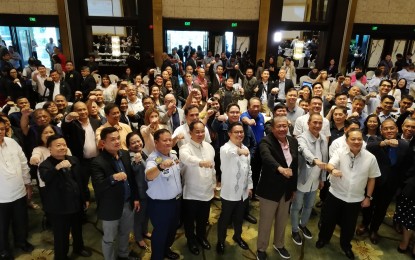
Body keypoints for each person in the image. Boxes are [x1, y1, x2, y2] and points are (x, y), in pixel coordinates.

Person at [316, 130, 381, 260]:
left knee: (349, 225)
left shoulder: (370, 157)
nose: (356, 142)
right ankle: (323, 239)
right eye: (353, 139)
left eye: (359, 139)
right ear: (347, 141)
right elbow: (329, 165)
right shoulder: (340, 152)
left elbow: (372, 178)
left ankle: (346, 246)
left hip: (355, 199)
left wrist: (368, 197)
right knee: (328, 220)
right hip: (335, 194)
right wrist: (333, 170)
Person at [356, 119, 410, 244]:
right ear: (381, 130)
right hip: (373, 183)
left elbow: (405, 166)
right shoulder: (375, 141)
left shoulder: (404, 145)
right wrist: (385, 143)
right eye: (385, 128)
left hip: (391, 185)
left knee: (382, 209)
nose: (389, 131)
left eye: (392, 128)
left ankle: (374, 229)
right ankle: (364, 223)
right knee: (368, 206)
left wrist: (400, 185)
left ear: (397, 129)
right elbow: (369, 147)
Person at [38, 135, 91, 259]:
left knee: (78, 229)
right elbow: (46, 178)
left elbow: (81, 181)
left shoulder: (73, 160)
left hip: (76, 203)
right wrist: (57, 167)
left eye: (64, 145)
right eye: (58, 145)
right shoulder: (45, 165)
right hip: (59, 207)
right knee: (61, 234)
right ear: (49, 149)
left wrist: (85, 198)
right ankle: (61, 256)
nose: (62, 147)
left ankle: (79, 248)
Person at [91, 127, 139, 260]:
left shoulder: (124, 154)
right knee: (109, 239)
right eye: (112, 139)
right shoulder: (97, 162)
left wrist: (135, 198)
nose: (117, 141)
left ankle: (123, 254)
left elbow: (132, 179)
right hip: (110, 207)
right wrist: (112, 178)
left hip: (128, 203)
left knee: (125, 233)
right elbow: (99, 186)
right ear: (103, 143)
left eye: (118, 138)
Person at [255, 116, 298, 260]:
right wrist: (280, 168)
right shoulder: (266, 141)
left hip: (286, 189)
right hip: (269, 189)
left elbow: (294, 167)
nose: (282, 129)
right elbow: (267, 158)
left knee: (282, 219)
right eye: (278, 126)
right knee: (266, 222)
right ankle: (261, 248)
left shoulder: (293, 141)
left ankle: (279, 244)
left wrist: (293, 188)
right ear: (272, 128)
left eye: (284, 126)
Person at [216, 122, 253, 255]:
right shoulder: (225, 148)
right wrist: (240, 151)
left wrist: (249, 186)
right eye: (236, 132)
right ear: (229, 134)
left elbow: (249, 170)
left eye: (241, 132)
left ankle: (237, 236)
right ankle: (220, 241)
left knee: (239, 218)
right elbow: (230, 152)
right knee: (225, 218)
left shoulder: (245, 148)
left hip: (242, 192)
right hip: (229, 193)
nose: (239, 134)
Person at [291, 114, 328, 246]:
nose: (317, 125)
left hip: (315, 180)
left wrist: (322, 178)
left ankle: (303, 225)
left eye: (320, 123)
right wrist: (314, 160)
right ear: (308, 123)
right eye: (315, 122)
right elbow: (303, 150)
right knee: (296, 207)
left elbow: (325, 159)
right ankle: (294, 230)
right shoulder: (301, 138)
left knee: (309, 206)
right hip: (302, 178)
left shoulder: (323, 138)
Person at [0, 117, 34, 259]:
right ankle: (3, 250)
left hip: (19, 191)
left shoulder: (12, 142)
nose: (0, 132)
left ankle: (21, 242)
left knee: (21, 221)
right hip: (1, 197)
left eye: (2, 129)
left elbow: (23, 163)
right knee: (1, 227)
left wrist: (28, 184)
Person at [180, 121, 215, 255]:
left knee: (203, 218)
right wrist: (200, 162)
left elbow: (213, 168)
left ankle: (201, 237)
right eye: (197, 132)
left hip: (206, 190)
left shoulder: (209, 147)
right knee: (189, 220)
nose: (200, 134)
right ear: (190, 133)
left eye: (202, 131)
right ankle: (191, 241)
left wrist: (213, 184)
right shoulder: (185, 148)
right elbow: (186, 159)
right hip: (191, 191)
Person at [145, 129, 181, 260]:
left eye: (169, 139)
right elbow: (149, 176)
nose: (168, 143)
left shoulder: (173, 154)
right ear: (156, 142)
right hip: (160, 204)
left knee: (172, 229)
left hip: (176, 201)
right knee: (161, 232)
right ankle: (157, 257)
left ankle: (166, 250)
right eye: (164, 140)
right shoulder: (152, 159)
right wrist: (160, 167)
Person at [126, 131, 150, 250]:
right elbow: (134, 168)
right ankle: (138, 237)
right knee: (139, 217)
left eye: (138, 140)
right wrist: (137, 161)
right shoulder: (132, 156)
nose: (137, 144)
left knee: (147, 214)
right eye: (133, 142)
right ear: (129, 145)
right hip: (140, 193)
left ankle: (145, 231)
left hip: (149, 191)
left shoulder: (143, 152)